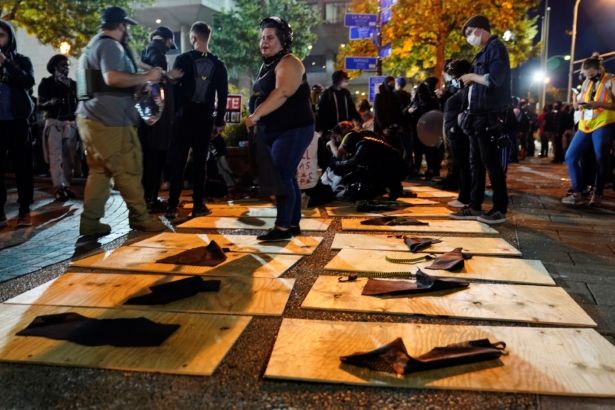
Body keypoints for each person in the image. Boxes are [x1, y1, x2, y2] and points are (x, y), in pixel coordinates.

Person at [75, 6, 166, 235]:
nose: (129, 32)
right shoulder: (110, 46)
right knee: (128, 169)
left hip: (91, 118)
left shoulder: (94, 45)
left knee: (100, 173)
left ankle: (90, 222)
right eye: (127, 27)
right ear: (121, 25)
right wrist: (147, 77)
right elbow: (112, 77)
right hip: (111, 122)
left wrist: (142, 81)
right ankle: (140, 218)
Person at [246, 17, 315, 241]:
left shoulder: (290, 62)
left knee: (281, 175)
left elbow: (282, 92)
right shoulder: (267, 64)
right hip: (274, 130)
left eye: (270, 37)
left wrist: (255, 115)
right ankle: (293, 223)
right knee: (287, 175)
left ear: (283, 40)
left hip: (293, 128)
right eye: (262, 38)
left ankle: (282, 227)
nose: (264, 42)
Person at [449, 15, 511, 224]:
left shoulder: (496, 48)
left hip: (489, 115)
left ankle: (499, 209)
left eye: (469, 32)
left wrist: (472, 77)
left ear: (479, 29)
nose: (468, 37)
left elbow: (495, 79)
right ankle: (474, 205)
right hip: (476, 116)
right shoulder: (484, 51)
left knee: (490, 162)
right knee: (475, 162)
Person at [165, 21, 228, 219]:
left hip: (184, 117)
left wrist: (173, 116)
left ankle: (172, 206)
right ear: (208, 38)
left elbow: (174, 90)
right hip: (204, 119)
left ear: (193, 38)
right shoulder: (218, 64)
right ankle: (198, 205)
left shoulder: (183, 59)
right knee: (200, 163)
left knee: (179, 162)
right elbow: (223, 95)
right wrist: (218, 122)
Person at [138, 26, 182, 212]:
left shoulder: (143, 53)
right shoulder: (159, 55)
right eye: (170, 42)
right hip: (158, 117)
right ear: (167, 40)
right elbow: (158, 83)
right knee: (157, 157)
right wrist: (170, 77)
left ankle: (144, 198)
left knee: (147, 157)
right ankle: (151, 198)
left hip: (143, 115)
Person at [563, 56, 615, 207]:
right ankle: (578, 193)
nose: (589, 78)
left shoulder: (611, 81)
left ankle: (597, 194)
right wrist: (579, 105)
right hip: (585, 124)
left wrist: (598, 104)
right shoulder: (586, 82)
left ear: (600, 69)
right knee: (570, 157)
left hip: (604, 123)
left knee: (601, 159)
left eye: (592, 75)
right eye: (586, 76)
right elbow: (579, 102)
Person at [0, 20, 35, 227]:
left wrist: (5, 63)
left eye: (1, 35)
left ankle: (24, 210)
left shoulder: (21, 60)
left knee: (23, 168)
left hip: (17, 123)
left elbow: (28, 82)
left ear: (9, 37)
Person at [38, 54, 78, 201]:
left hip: (70, 125)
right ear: (55, 66)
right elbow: (39, 105)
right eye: (63, 65)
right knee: (55, 158)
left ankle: (66, 186)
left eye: (67, 65)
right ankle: (58, 188)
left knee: (69, 159)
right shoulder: (46, 83)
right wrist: (51, 103)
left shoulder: (73, 85)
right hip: (54, 124)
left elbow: (79, 103)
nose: (66, 68)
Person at [329, 130, 406, 201]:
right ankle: (395, 188)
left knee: (371, 174)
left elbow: (353, 162)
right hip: (399, 169)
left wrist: (336, 164)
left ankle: (388, 189)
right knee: (370, 171)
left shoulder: (364, 144)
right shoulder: (368, 141)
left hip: (397, 170)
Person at [443, 59, 473, 208]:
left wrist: (455, 127)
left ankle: (465, 197)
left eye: (454, 77)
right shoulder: (463, 90)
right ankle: (464, 195)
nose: (453, 80)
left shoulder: (468, 89)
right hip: (456, 131)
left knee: (463, 166)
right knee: (461, 165)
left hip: (459, 132)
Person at [407, 82, 440, 178]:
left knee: (428, 150)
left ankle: (430, 170)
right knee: (418, 151)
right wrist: (410, 111)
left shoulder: (431, 102)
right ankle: (418, 169)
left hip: (427, 130)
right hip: (417, 130)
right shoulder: (416, 102)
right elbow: (406, 111)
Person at [316, 69, 361, 135]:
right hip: (332, 130)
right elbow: (322, 113)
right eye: (345, 79)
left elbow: (351, 107)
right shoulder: (328, 93)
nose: (347, 81)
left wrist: (358, 118)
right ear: (339, 80)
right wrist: (325, 130)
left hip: (346, 128)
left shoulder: (346, 93)